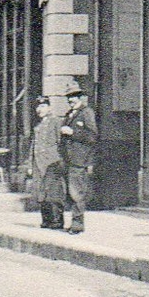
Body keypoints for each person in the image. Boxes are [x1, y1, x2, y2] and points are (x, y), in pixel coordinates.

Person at [58, 85, 99, 234]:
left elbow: (92, 136)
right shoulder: (69, 114)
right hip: (68, 159)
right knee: (70, 193)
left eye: (74, 96)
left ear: (80, 97)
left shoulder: (86, 113)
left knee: (77, 193)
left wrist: (73, 132)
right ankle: (73, 222)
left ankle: (78, 224)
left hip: (79, 159)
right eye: (69, 97)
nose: (71, 100)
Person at [29, 96, 66, 230]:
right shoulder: (38, 125)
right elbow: (33, 146)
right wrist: (30, 165)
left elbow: (61, 143)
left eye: (43, 106)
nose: (40, 109)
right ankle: (46, 220)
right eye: (38, 107)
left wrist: (61, 161)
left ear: (49, 107)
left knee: (54, 192)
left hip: (52, 162)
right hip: (38, 163)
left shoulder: (56, 122)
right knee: (41, 192)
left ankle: (57, 220)